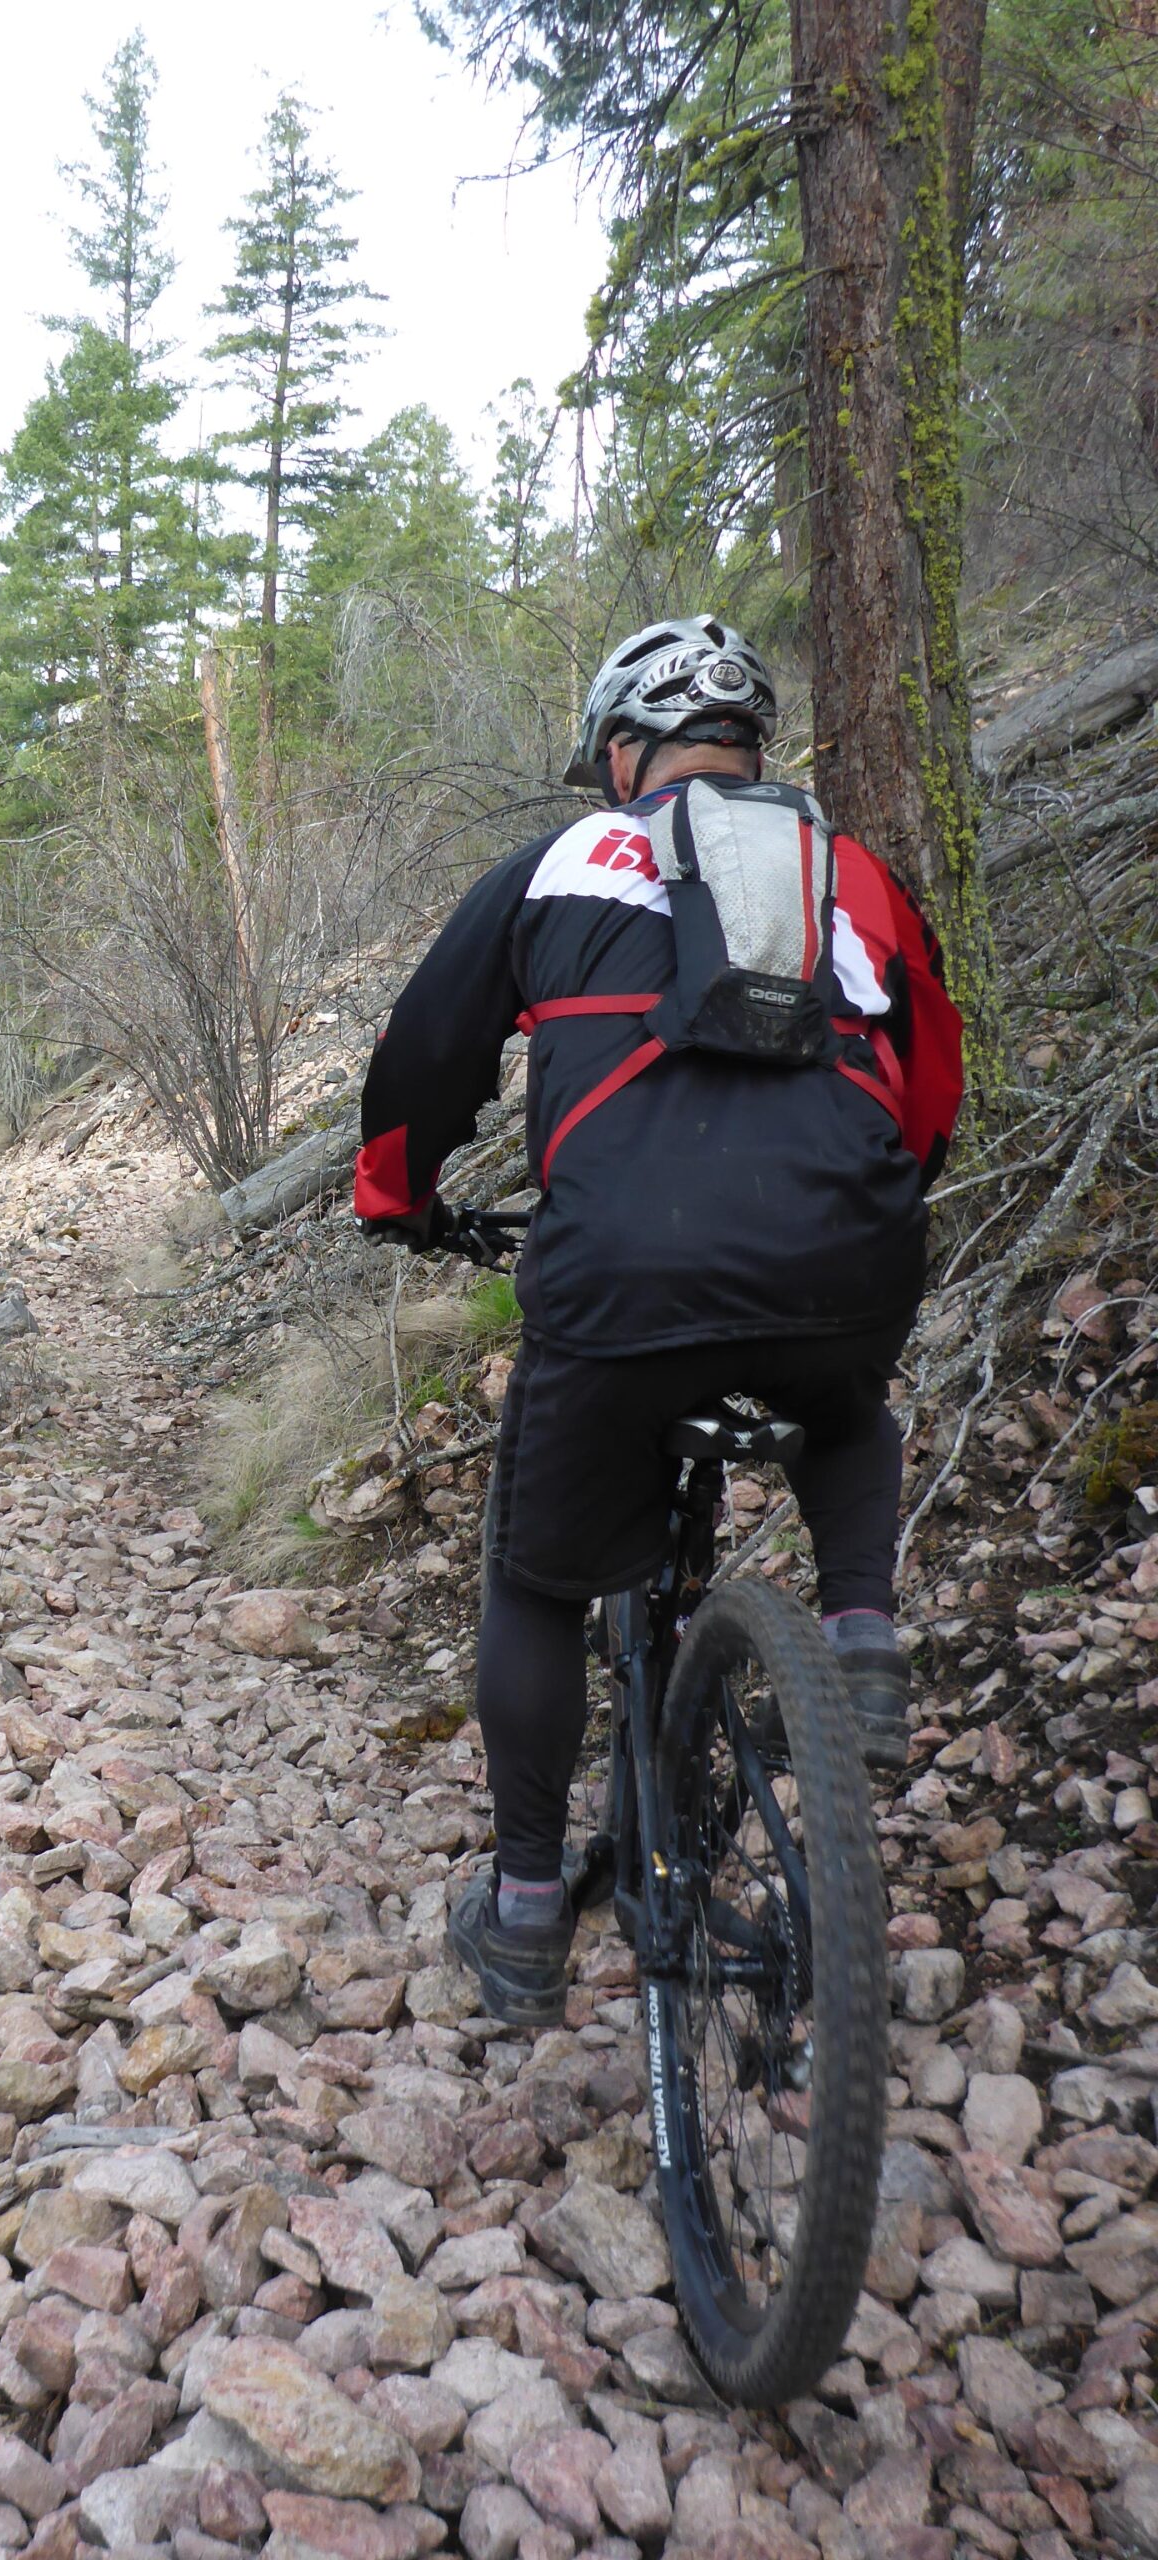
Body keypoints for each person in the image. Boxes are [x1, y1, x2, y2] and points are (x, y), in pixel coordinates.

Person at [354, 616, 964, 2028]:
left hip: (626, 1280)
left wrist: (400, 1199)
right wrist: (867, 1213)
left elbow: (424, 1054)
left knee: (537, 1583)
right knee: (847, 1400)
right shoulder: (855, 873)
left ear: (624, 752)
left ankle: (519, 1912)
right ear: (750, 749)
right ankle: (860, 1633)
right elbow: (929, 1079)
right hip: (848, 1246)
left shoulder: (560, 864)